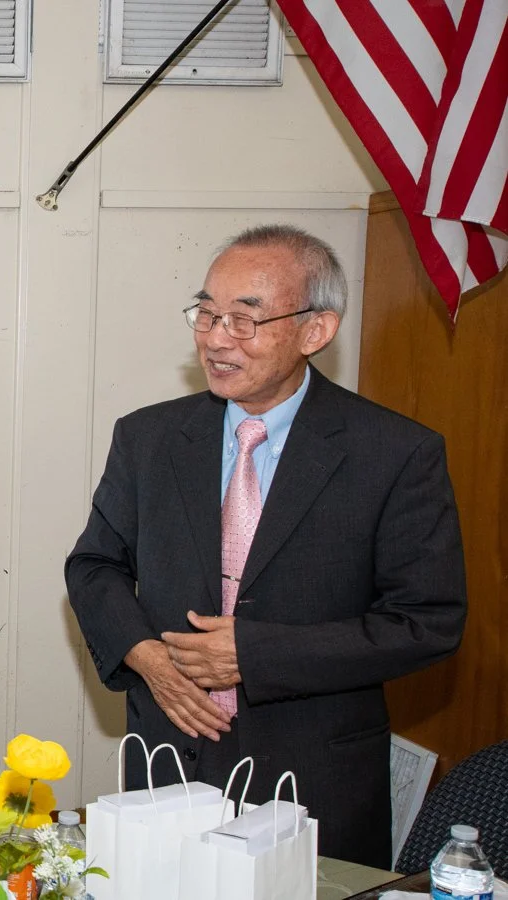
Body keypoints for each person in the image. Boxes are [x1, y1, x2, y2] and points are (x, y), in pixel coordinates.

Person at [66, 224, 466, 868]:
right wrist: (146, 656)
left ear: (316, 330)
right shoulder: (149, 438)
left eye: (246, 319)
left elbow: (426, 623)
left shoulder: (394, 453)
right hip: (171, 766)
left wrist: (254, 654)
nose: (217, 338)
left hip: (313, 777)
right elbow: (94, 566)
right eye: (207, 313)